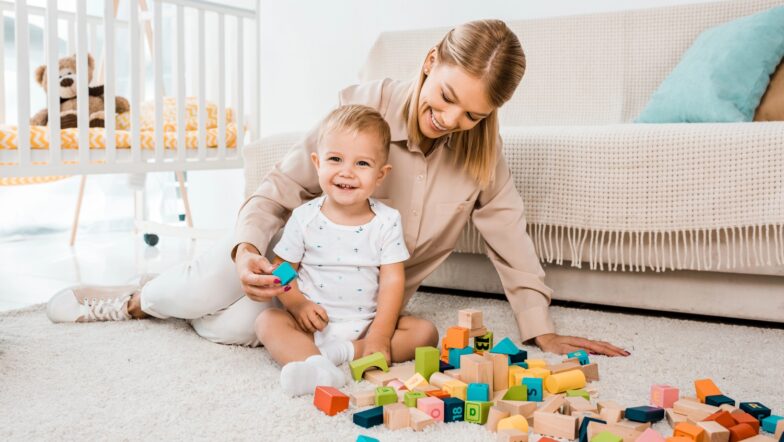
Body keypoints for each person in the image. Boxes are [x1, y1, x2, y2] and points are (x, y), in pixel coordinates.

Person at [47, 19, 629, 357]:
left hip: (349, 301)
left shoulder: (482, 153)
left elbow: (511, 240)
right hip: (288, 259)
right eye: (448, 98)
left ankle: (176, 291)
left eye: (473, 114)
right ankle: (136, 301)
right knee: (210, 286)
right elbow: (282, 186)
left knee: (235, 331)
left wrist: (540, 329)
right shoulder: (366, 105)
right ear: (431, 61)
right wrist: (247, 250)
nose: (451, 120)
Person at [255, 104, 437, 396]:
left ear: (380, 175)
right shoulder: (304, 217)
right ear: (317, 163)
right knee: (268, 322)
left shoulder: (387, 221)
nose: (347, 172)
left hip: (367, 326)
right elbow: (283, 269)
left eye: (362, 163)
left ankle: (339, 355)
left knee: (424, 333)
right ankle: (315, 362)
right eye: (335, 159)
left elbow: (393, 279)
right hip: (312, 324)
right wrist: (298, 304)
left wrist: (380, 333)